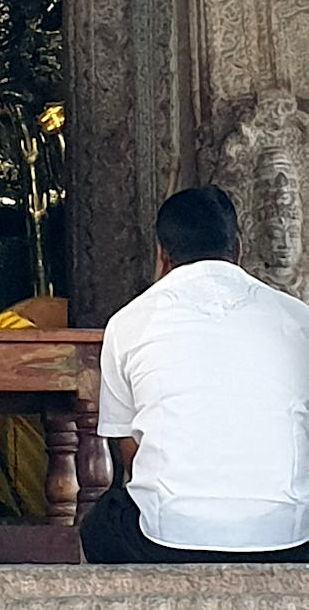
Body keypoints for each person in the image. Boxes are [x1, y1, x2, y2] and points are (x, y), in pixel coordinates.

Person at [81, 186, 309, 563]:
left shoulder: (129, 323)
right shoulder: (299, 318)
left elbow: (130, 455)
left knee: (100, 525)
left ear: (162, 255)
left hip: (167, 541)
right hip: (291, 540)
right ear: (237, 248)